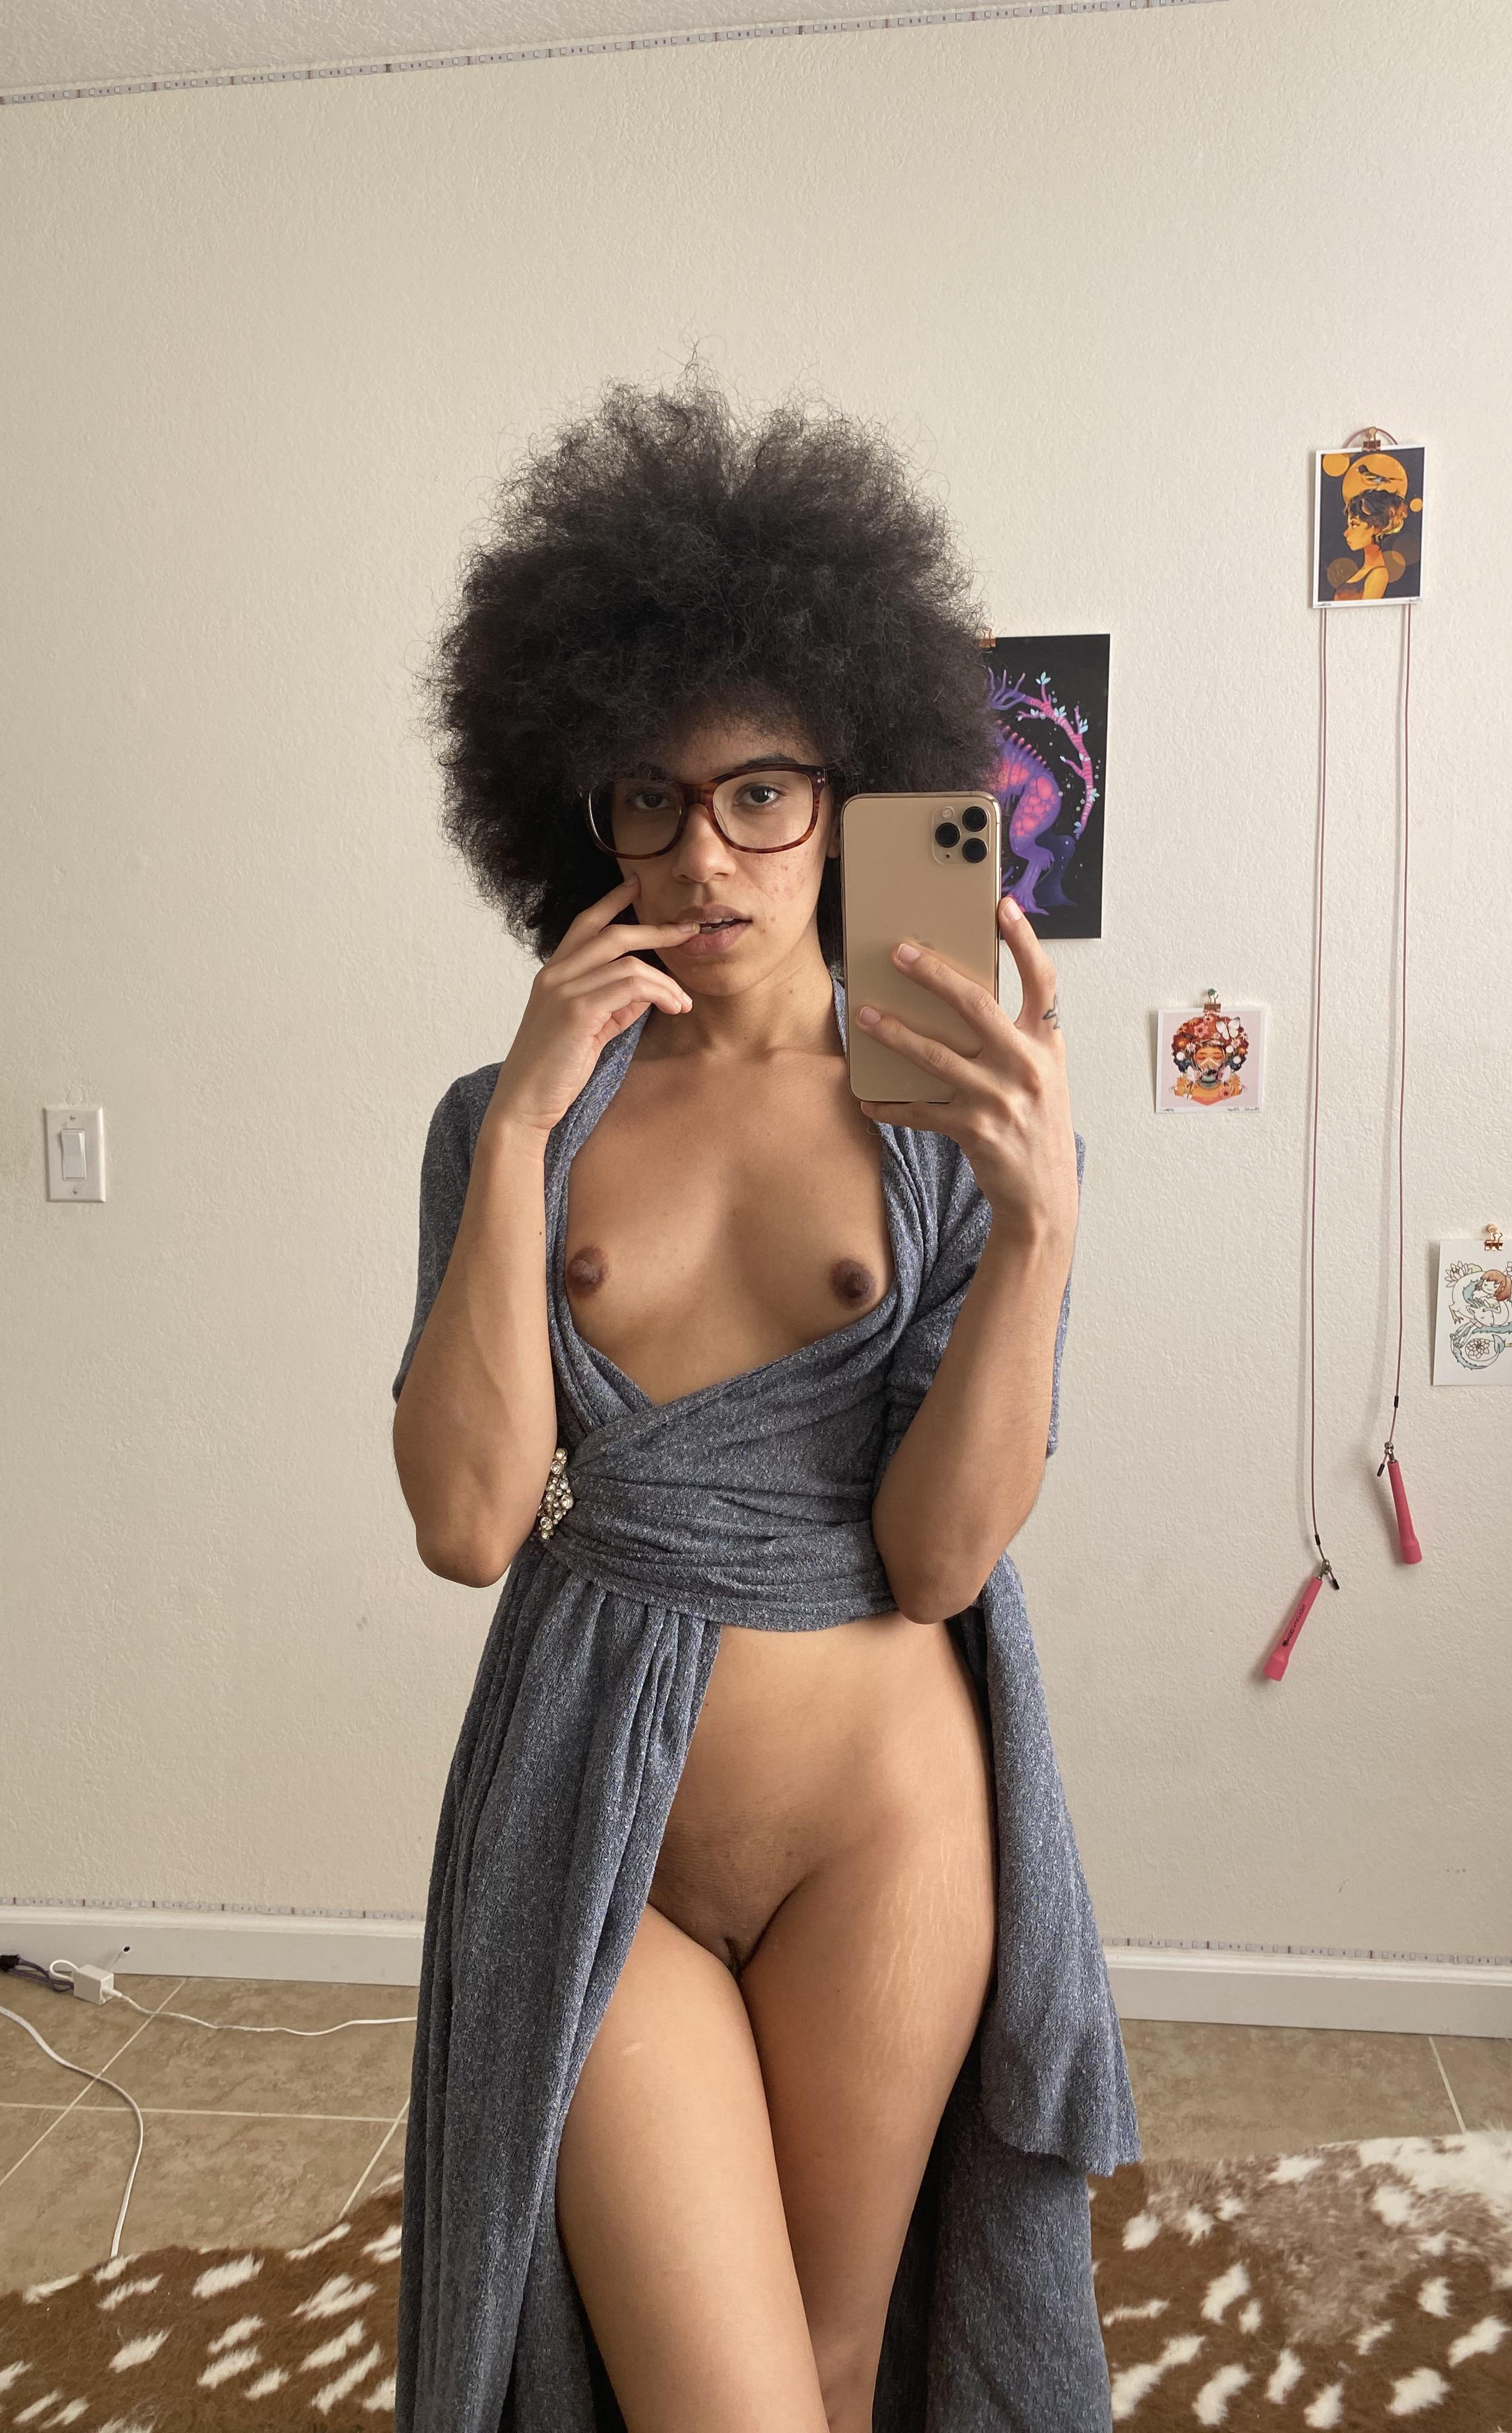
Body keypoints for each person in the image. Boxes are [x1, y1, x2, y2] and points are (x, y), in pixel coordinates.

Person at [389, 372, 1140, 2433]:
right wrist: (523, 1130)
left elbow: (939, 1557)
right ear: (574, 812)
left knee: (831, 2365)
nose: (704, 855)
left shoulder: (944, 1127)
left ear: (856, 795)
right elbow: (466, 1523)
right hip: (591, 1828)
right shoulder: (504, 1124)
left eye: (762, 796)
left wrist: (1039, 1225)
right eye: (648, 798)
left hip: (887, 1829)